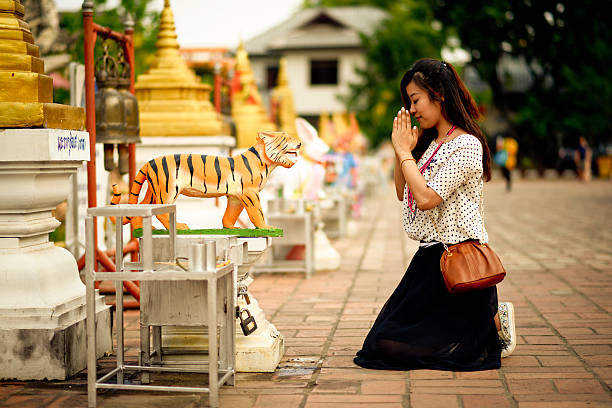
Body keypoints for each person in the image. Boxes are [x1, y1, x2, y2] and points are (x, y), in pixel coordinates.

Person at [354, 58, 516, 371]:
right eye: (409, 103)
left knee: (416, 349)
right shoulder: (430, 145)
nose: (412, 110)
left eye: (415, 100)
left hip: (459, 261)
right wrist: (405, 152)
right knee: (379, 345)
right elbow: (403, 192)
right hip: (428, 261)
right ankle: (488, 320)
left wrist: (404, 154)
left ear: (438, 94)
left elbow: (426, 198)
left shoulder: (466, 144)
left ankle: (491, 320)